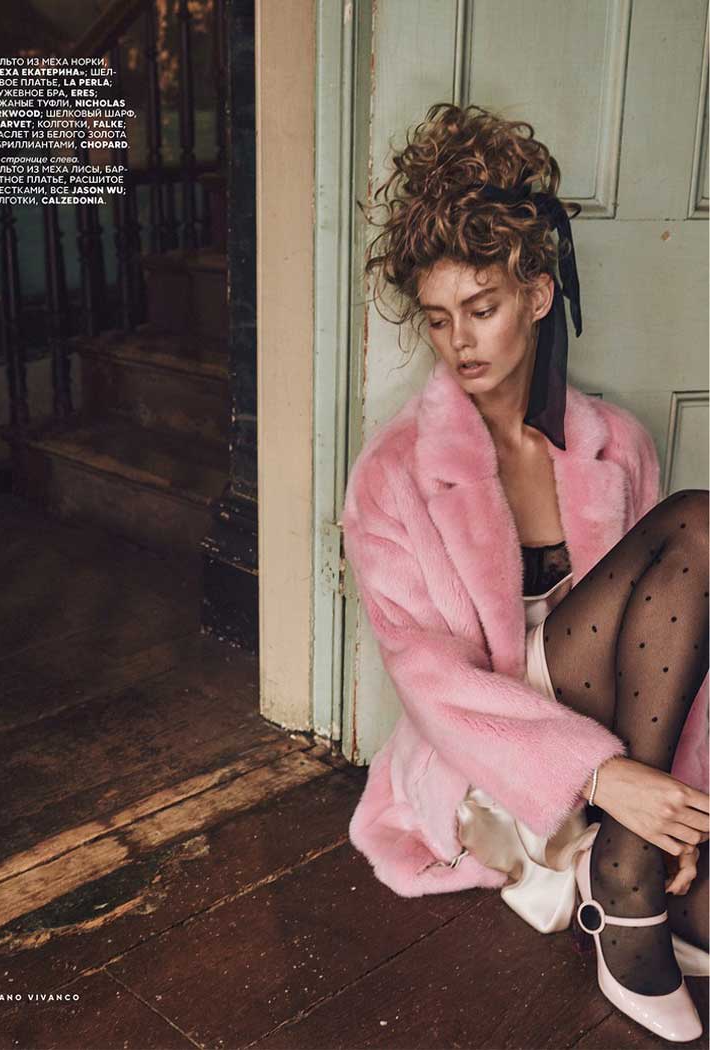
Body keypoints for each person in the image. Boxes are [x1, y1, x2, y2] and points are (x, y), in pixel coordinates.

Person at [340, 102, 709, 1043]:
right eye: (438, 319)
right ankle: (620, 885)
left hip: (617, 736)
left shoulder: (615, 443)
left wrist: (675, 799)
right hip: (498, 755)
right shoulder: (393, 475)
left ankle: (627, 863)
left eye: (483, 308)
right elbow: (431, 682)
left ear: (538, 295)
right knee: (705, 522)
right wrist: (599, 775)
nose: (459, 341)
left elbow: (673, 650)